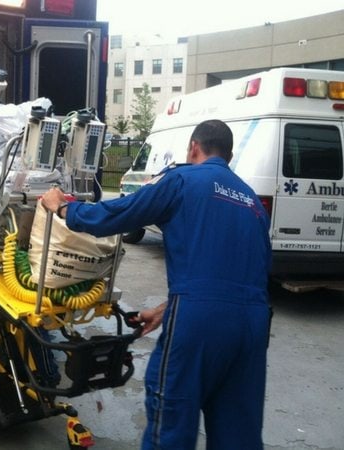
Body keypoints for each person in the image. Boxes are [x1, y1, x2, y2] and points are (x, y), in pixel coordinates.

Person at [41, 119, 272, 449]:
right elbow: (239, 278)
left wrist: (65, 208)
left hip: (199, 324)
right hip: (252, 327)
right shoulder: (251, 201)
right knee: (239, 431)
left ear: (193, 147)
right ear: (229, 156)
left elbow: (121, 213)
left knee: (172, 416)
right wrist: (167, 310)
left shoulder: (182, 179)